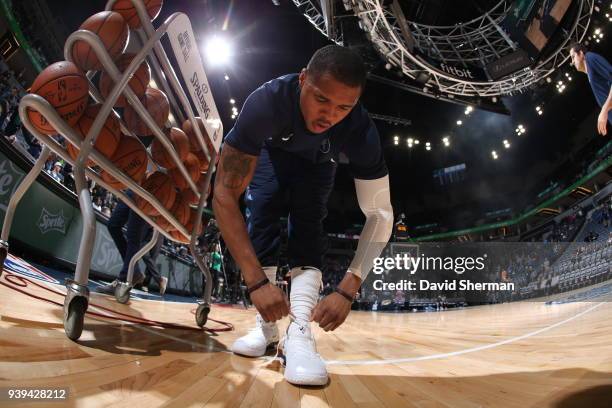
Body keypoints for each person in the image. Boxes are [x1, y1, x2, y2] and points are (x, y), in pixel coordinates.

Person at [213, 45, 393, 385]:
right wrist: (255, 281)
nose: (330, 115)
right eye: (322, 99)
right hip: (272, 153)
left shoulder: (359, 128)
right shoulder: (267, 102)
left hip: (318, 164)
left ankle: (298, 335)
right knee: (261, 211)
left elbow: (381, 212)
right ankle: (265, 328)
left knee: (309, 223)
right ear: (303, 80)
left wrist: (348, 287)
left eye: (344, 106)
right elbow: (224, 192)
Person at [569, 43, 611, 136]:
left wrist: (604, 111)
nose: (572, 62)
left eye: (573, 57)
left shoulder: (590, 58)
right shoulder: (589, 73)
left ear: (580, 53)